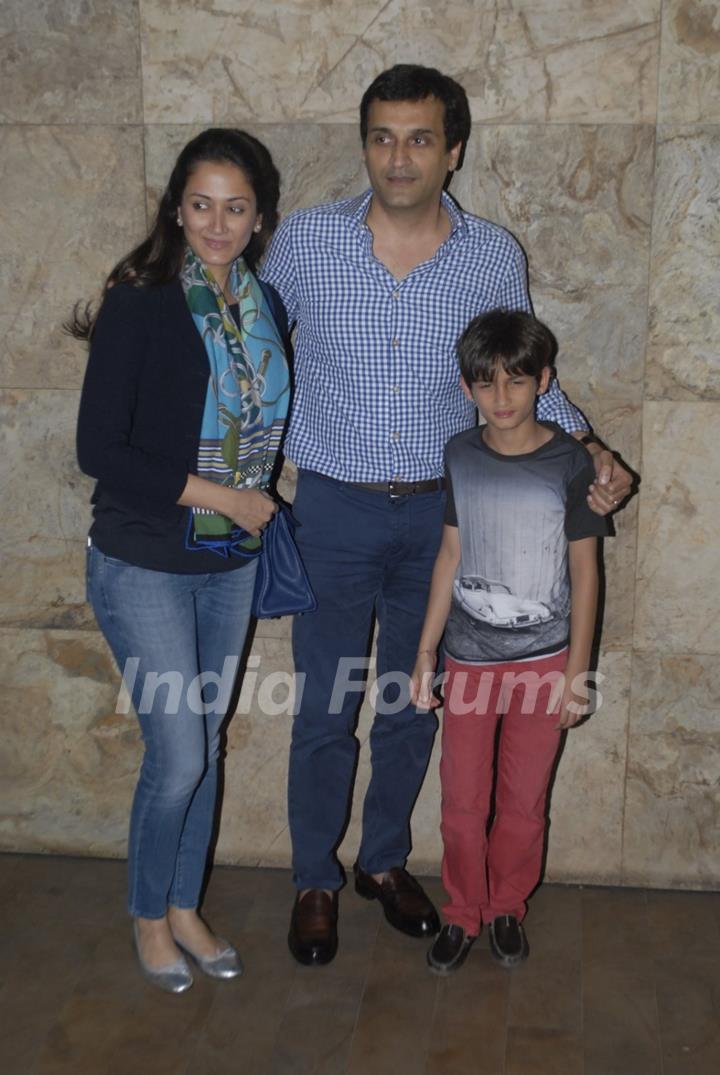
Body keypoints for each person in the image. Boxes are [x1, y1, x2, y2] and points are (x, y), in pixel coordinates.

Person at [260, 63, 631, 966]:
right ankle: (315, 874)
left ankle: (382, 861)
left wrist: (592, 450)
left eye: (420, 137)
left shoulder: (491, 255)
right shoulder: (307, 244)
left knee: (410, 704)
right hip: (335, 512)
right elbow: (251, 362)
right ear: (364, 144)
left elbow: (526, 377)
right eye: (383, 136)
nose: (399, 156)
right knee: (325, 705)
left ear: (453, 150)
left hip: (445, 519)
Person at [72, 128, 291, 992]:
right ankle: (148, 915)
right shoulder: (142, 299)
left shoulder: (262, 304)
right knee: (181, 753)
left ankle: (186, 905)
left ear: (259, 217)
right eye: (201, 203)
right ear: (176, 207)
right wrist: (225, 494)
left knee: (207, 742)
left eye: (236, 206)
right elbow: (101, 448)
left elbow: (263, 421)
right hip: (142, 558)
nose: (217, 221)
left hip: (228, 561)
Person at [410, 309, 606, 974]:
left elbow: (585, 569)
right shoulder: (459, 454)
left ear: (542, 381)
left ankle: (505, 910)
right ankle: (463, 911)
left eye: (517, 382)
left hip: (545, 665)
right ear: (466, 389)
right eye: (487, 384)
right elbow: (449, 554)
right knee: (463, 801)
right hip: (467, 663)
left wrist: (577, 673)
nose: (502, 398)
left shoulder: (569, 460)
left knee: (523, 802)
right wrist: (425, 651)